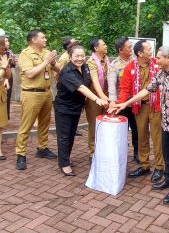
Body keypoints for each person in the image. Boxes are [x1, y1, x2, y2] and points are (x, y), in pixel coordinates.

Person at [111, 46, 169, 205]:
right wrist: (125, 104)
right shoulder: (160, 73)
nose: (156, 59)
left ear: (168, 58)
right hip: (165, 121)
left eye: (159, 57)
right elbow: (146, 90)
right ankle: (168, 179)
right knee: (167, 153)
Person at [54, 43, 108, 176]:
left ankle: (66, 158)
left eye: (82, 56)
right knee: (64, 136)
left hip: (76, 107)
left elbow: (91, 81)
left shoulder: (84, 67)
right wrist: (97, 99)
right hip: (64, 108)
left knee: (71, 134)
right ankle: (64, 164)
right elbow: (81, 88)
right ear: (70, 57)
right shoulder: (67, 71)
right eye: (76, 56)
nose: (80, 58)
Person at [117, 40, 164, 182]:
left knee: (157, 137)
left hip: (156, 105)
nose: (151, 51)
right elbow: (124, 89)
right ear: (140, 53)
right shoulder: (130, 67)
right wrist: (120, 104)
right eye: (149, 49)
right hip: (140, 106)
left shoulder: (158, 64)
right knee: (141, 136)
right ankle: (144, 166)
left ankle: (159, 167)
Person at [15, 29, 59, 170]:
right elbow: (30, 74)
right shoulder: (25, 54)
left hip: (46, 93)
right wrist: (46, 61)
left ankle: (42, 148)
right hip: (31, 94)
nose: (46, 40)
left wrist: (52, 62)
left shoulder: (46, 53)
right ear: (34, 40)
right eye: (43, 37)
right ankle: (21, 154)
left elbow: (58, 69)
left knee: (45, 123)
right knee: (26, 125)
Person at [107, 37, 139, 164]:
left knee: (137, 130)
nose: (131, 48)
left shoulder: (137, 62)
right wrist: (113, 102)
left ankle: (138, 154)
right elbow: (111, 86)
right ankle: (121, 154)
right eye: (128, 47)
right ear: (121, 50)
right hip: (122, 105)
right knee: (122, 131)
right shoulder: (114, 65)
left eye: (131, 46)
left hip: (136, 103)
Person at [84, 38, 110, 160]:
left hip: (106, 96)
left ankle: (103, 150)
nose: (106, 46)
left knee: (105, 124)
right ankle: (92, 153)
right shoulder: (92, 62)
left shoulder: (106, 59)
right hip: (94, 98)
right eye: (103, 44)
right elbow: (95, 81)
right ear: (96, 48)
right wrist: (102, 97)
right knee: (94, 125)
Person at [0, 36, 12, 160]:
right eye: (3, 44)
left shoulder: (3, 57)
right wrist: (3, 67)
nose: (6, 46)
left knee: (1, 124)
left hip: (1, 93)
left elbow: (7, 76)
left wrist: (6, 65)